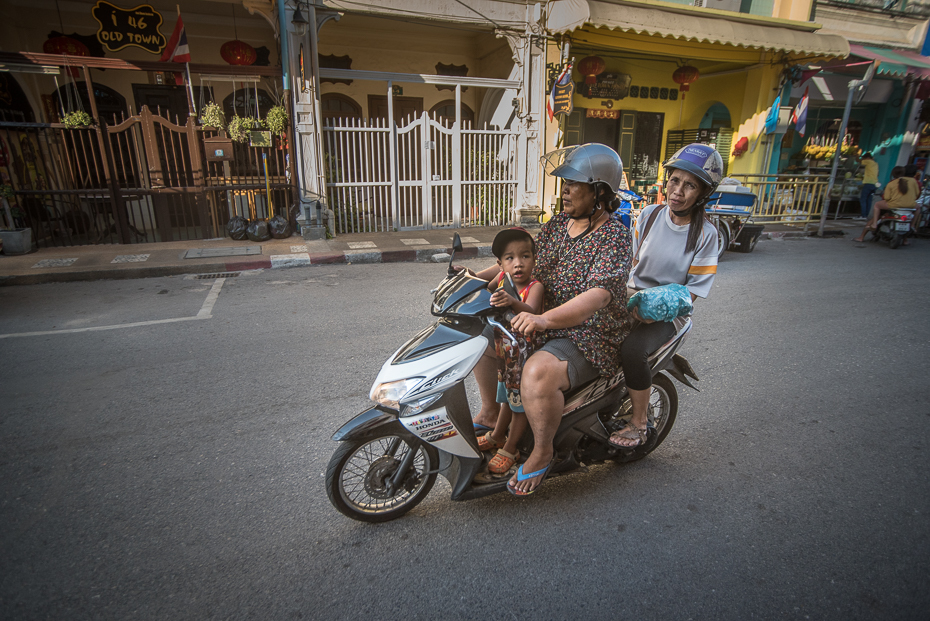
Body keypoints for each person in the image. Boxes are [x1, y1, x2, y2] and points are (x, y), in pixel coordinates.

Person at [501, 143, 633, 496]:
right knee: (493, 340)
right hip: (551, 320)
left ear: (600, 192)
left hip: (592, 334)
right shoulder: (560, 224)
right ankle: (495, 425)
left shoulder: (615, 236)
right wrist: (482, 279)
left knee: (536, 372)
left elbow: (598, 296)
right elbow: (537, 269)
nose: (565, 190)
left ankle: (543, 452)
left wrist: (543, 322)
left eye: (575, 184)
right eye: (565, 183)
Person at [609, 143, 721, 448]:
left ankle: (640, 423)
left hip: (670, 314)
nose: (678, 191)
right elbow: (629, 264)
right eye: (675, 180)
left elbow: (692, 293)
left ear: (702, 194)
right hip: (631, 297)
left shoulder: (707, 235)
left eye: (690, 185)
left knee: (633, 350)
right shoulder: (649, 215)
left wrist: (648, 307)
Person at [473, 228, 545, 476]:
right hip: (506, 354)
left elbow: (532, 310)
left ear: (535, 259)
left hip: (525, 357)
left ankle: (511, 447)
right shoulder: (503, 280)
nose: (518, 264)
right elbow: (486, 290)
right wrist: (467, 280)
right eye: (510, 258)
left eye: (525, 256)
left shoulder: (535, 286)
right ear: (500, 264)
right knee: (504, 398)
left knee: (518, 404)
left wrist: (511, 301)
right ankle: (496, 435)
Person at [853, 166, 919, 243]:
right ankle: (913, 225)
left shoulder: (892, 183)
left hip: (894, 205)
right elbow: (917, 194)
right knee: (918, 208)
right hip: (910, 206)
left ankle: (874, 224)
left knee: (877, 205)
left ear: (893, 174)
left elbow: (887, 197)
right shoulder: (913, 181)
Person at [858, 152, 879, 220]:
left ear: (867, 158)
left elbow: (858, 160)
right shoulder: (875, 164)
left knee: (863, 199)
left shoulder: (869, 161)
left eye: (864, 158)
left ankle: (863, 215)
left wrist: (856, 155)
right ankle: (866, 215)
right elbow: (877, 174)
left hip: (868, 183)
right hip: (874, 184)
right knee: (869, 200)